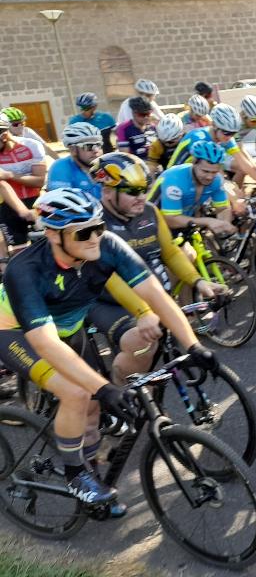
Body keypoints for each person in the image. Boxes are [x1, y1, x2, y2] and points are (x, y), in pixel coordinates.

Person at [0, 187, 217, 507]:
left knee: (92, 407)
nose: (95, 237)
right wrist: (103, 388)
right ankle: (76, 475)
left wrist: (194, 346)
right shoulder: (25, 269)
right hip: (16, 334)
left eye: (99, 227)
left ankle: (93, 469)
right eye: (84, 231)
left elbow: (156, 295)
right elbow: (44, 343)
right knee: (78, 393)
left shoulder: (107, 246)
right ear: (53, 234)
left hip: (70, 330)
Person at [87, 153, 226, 380]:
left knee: (173, 354)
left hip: (150, 296)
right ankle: (119, 395)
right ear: (107, 192)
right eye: (132, 191)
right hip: (109, 302)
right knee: (144, 344)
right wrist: (144, 312)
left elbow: (170, 253)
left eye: (144, 190)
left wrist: (198, 281)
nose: (141, 197)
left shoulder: (150, 212)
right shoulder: (96, 224)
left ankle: (145, 396)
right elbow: (111, 279)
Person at [168, 103, 256, 198]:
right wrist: (233, 193)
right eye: (227, 133)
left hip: (197, 176)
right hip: (175, 178)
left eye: (233, 133)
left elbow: (245, 165)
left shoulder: (225, 136)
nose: (229, 137)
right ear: (215, 126)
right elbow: (216, 174)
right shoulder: (200, 138)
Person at [151, 140, 235, 235]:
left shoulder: (217, 180)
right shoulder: (175, 179)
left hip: (184, 223)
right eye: (205, 171)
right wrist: (207, 221)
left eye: (214, 172)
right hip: (154, 225)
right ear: (194, 163)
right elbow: (170, 220)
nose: (210, 177)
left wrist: (225, 224)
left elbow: (223, 208)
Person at [0, 116, 47, 250]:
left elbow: (39, 181)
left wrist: (9, 175)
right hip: (7, 206)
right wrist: (23, 211)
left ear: (4, 136)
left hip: (36, 201)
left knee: (44, 246)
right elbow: (2, 186)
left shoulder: (31, 146)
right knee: (18, 251)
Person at [48, 123, 105, 197]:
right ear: (73, 150)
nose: (96, 150)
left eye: (98, 145)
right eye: (89, 146)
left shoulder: (107, 164)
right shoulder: (61, 167)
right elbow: (61, 203)